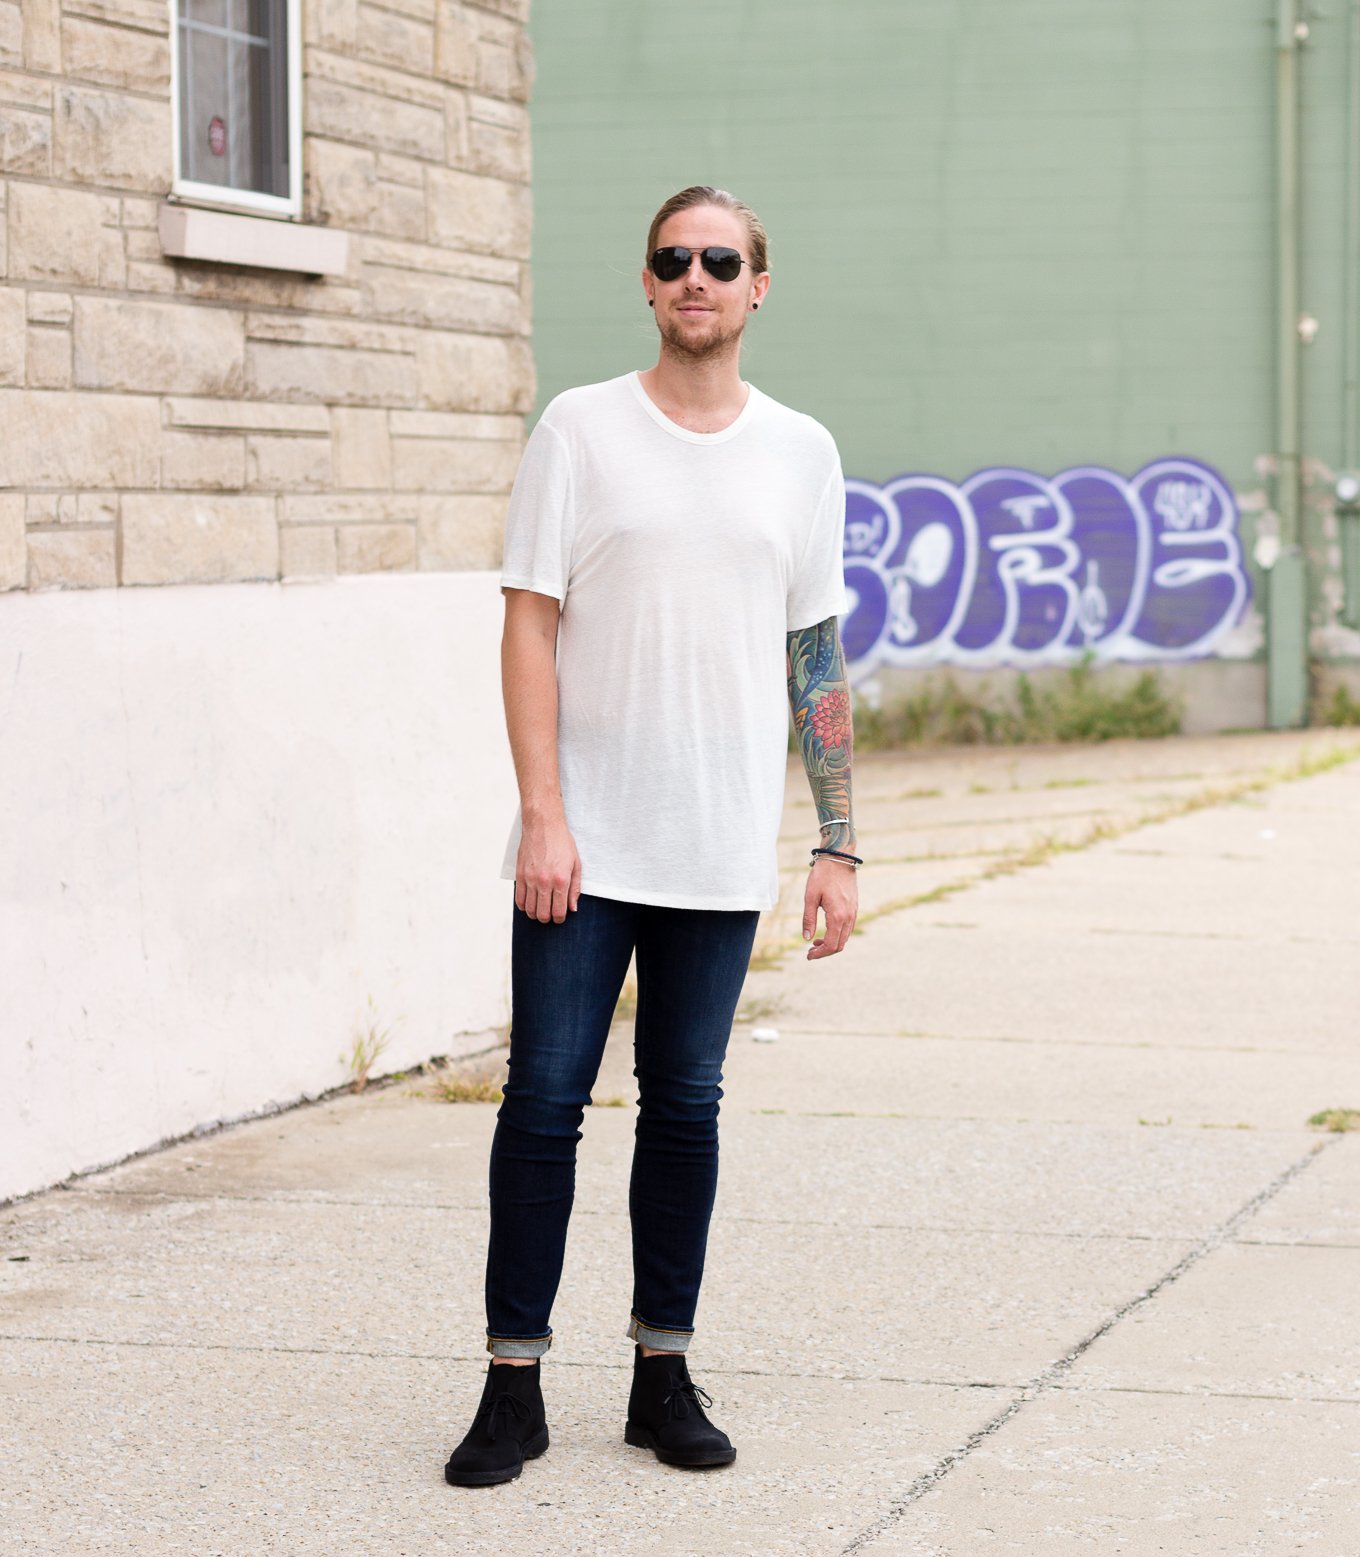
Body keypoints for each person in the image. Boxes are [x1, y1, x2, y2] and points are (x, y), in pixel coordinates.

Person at [444, 185, 860, 1487]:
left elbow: (816, 652)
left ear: (757, 287)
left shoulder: (802, 451)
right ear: (646, 282)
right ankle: (512, 1382)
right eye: (673, 259)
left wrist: (838, 836)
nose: (696, 277)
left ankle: (660, 1373)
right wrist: (544, 814)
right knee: (546, 1104)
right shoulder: (578, 431)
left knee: (686, 1108)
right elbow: (527, 625)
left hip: (720, 847)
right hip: (585, 847)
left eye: (720, 260)